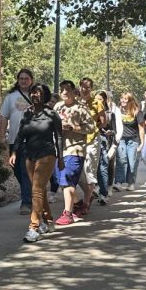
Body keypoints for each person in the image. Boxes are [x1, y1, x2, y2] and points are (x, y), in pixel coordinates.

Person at [10, 83, 62, 243]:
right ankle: (48, 221)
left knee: (37, 190)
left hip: (47, 155)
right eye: (33, 92)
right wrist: (13, 152)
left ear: (44, 95)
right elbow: (20, 134)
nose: (35, 95)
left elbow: (59, 137)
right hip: (29, 155)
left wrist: (61, 158)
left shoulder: (52, 114)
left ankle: (33, 227)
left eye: (38, 92)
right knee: (39, 191)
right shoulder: (27, 113)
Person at [53, 81, 93, 225]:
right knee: (62, 181)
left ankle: (68, 213)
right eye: (62, 89)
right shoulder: (58, 107)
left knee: (67, 179)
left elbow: (90, 128)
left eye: (68, 89)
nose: (64, 92)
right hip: (60, 150)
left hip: (75, 149)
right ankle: (78, 204)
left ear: (73, 91)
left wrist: (74, 128)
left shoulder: (81, 108)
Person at [0, 68, 35, 214]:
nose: (24, 81)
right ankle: (31, 193)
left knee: (24, 169)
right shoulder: (10, 97)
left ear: (31, 80)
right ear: (17, 80)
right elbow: (4, 117)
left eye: (26, 78)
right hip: (14, 139)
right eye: (21, 78)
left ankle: (26, 203)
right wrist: (2, 136)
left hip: (31, 139)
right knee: (17, 170)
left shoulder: (36, 96)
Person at [78, 77, 100, 211]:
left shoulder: (97, 103)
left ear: (91, 88)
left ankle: (85, 204)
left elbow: (103, 120)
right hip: (77, 141)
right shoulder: (75, 102)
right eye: (83, 86)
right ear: (79, 87)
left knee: (90, 171)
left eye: (88, 87)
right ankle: (89, 194)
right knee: (78, 172)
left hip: (92, 140)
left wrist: (94, 129)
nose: (85, 89)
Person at [92, 90, 118, 203]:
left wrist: (109, 132)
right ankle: (95, 189)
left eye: (101, 99)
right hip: (91, 141)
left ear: (105, 101)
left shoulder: (110, 114)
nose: (98, 101)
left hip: (103, 141)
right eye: (96, 99)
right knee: (93, 167)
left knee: (103, 166)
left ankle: (103, 193)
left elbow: (114, 130)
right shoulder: (90, 111)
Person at [116, 92, 142, 190]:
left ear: (130, 101)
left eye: (125, 99)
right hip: (121, 139)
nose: (123, 100)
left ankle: (131, 183)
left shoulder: (137, 112)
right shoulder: (118, 111)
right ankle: (118, 182)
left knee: (132, 162)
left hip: (133, 140)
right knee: (121, 160)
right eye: (122, 98)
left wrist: (142, 143)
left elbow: (141, 128)